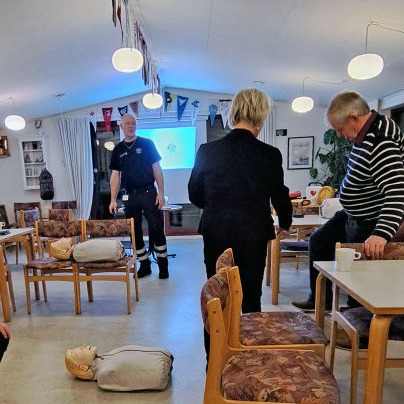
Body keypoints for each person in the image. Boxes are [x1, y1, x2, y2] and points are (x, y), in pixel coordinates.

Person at [293, 91, 404, 311]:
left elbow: (396, 192)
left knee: (358, 273)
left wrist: (381, 234)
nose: (339, 134)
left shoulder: (381, 142)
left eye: (340, 128)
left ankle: (357, 320)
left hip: (370, 219)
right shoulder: (364, 134)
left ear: (354, 117)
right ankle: (320, 301)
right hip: (352, 215)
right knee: (319, 241)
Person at [188, 88, 293, 313]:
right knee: (251, 294)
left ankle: (216, 337)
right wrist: (285, 223)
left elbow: (194, 194)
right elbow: (279, 194)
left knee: (217, 294)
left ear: (234, 112)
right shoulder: (270, 154)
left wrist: (217, 205)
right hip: (253, 233)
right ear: (260, 117)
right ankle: (247, 336)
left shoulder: (207, 151)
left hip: (216, 229)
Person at [109, 113, 169, 279]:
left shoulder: (147, 143)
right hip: (129, 196)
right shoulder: (118, 149)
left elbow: (156, 168)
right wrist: (113, 200)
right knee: (134, 233)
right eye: (127, 123)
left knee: (156, 228)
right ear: (121, 126)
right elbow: (115, 176)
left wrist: (161, 193)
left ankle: (163, 266)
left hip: (149, 192)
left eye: (133, 123)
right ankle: (144, 264)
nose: (131, 126)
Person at [65, 344, 173, 391]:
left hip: (161, 358)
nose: (83, 346)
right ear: (83, 369)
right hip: (159, 371)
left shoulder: (104, 358)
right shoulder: (104, 375)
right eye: (80, 351)